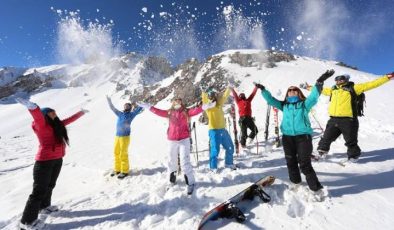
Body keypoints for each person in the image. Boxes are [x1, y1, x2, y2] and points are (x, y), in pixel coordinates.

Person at [256, 70, 335, 197]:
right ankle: (296, 182)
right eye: (290, 90)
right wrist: (263, 90)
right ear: (287, 94)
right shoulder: (284, 105)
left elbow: (314, 96)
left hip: (303, 137)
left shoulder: (304, 104)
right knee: (291, 162)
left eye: (295, 89)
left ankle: (316, 189)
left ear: (299, 93)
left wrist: (320, 81)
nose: (292, 91)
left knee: (304, 164)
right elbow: (270, 100)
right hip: (287, 138)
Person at [15, 97, 87, 229]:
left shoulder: (57, 125)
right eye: (51, 112)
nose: (55, 113)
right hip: (44, 162)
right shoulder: (41, 125)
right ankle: (27, 222)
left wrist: (80, 113)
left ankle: (45, 206)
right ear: (45, 115)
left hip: (57, 160)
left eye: (54, 112)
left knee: (50, 185)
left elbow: (69, 120)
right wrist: (33, 107)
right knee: (38, 191)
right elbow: (37, 117)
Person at [317, 72, 394, 161]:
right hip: (333, 119)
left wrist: (387, 77)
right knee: (326, 137)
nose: (339, 81)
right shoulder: (333, 90)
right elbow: (319, 90)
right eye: (337, 79)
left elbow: (372, 84)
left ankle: (353, 157)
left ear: (346, 79)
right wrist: (307, 87)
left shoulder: (354, 88)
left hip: (348, 120)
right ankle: (321, 152)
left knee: (350, 141)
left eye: (341, 78)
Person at [137, 98, 205, 195]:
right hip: (172, 140)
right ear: (172, 103)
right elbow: (158, 112)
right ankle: (171, 181)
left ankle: (190, 183)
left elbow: (195, 111)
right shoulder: (169, 112)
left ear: (181, 103)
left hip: (184, 140)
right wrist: (149, 107)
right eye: (175, 101)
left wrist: (204, 107)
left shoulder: (186, 112)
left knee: (184, 162)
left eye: (179, 101)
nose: (177, 102)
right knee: (171, 162)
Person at [106, 96, 143, 179]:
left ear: (130, 108)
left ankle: (125, 171)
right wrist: (109, 101)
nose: (126, 106)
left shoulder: (131, 114)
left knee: (123, 153)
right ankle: (117, 169)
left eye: (128, 105)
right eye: (125, 105)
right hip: (117, 136)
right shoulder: (120, 114)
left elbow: (139, 109)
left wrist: (142, 104)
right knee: (116, 152)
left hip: (125, 137)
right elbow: (112, 108)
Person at [202, 87, 236, 172]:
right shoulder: (207, 106)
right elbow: (204, 101)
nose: (212, 97)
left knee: (230, 147)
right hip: (214, 131)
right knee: (215, 150)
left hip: (223, 130)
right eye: (210, 95)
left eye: (213, 95)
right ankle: (213, 167)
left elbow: (224, 96)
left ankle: (229, 163)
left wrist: (229, 88)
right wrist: (204, 92)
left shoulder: (219, 103)